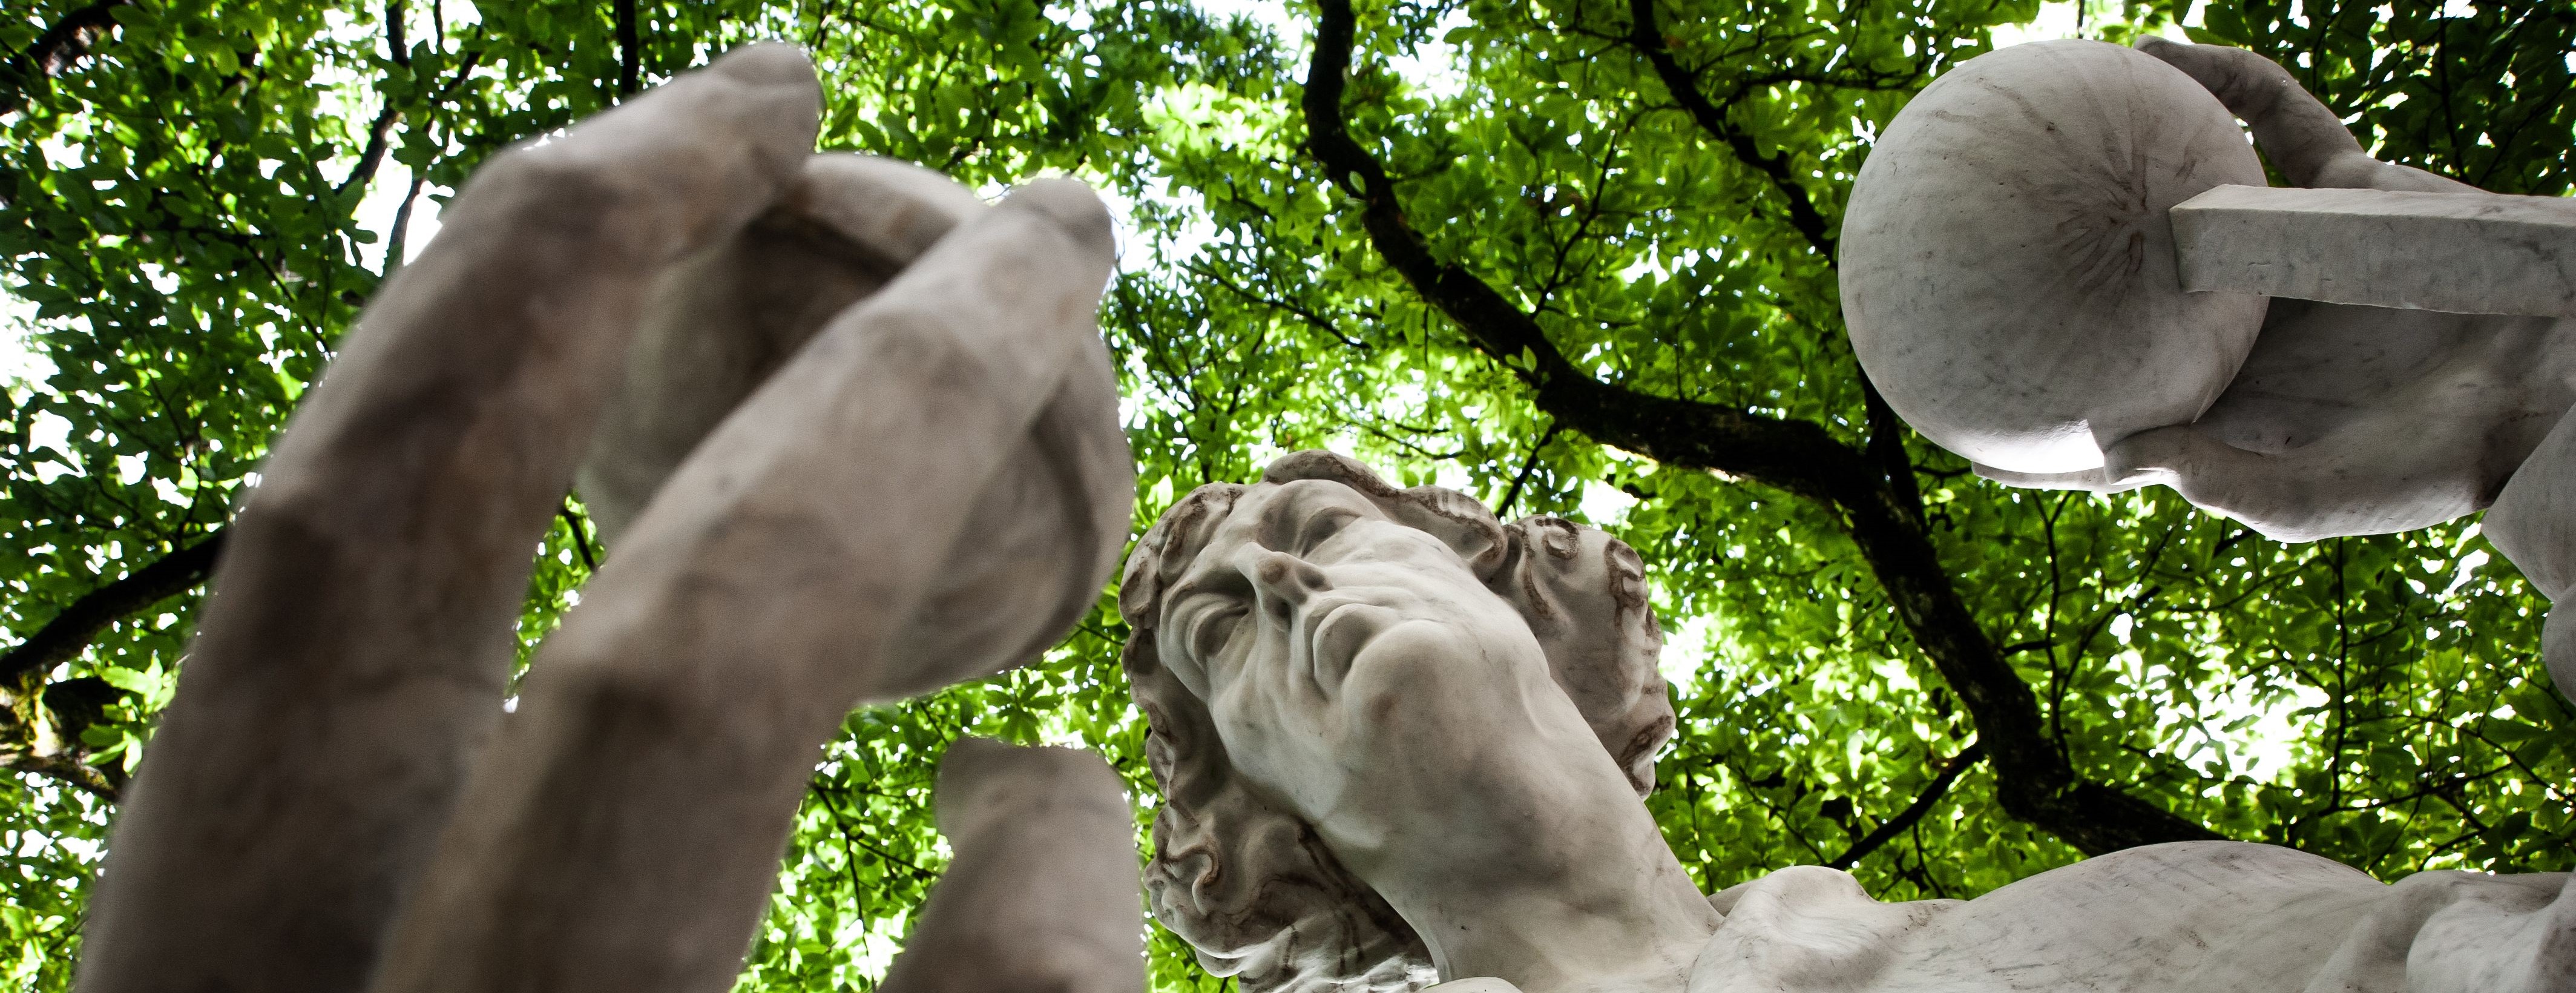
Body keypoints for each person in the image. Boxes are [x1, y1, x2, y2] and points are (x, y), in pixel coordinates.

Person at [1120, 452, 2576, 993]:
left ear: (1512, 601)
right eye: (1217, 631)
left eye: (1315, 522)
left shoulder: (2168, 917)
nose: (1274, 573)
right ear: (1282, 830)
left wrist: (2514, 412)